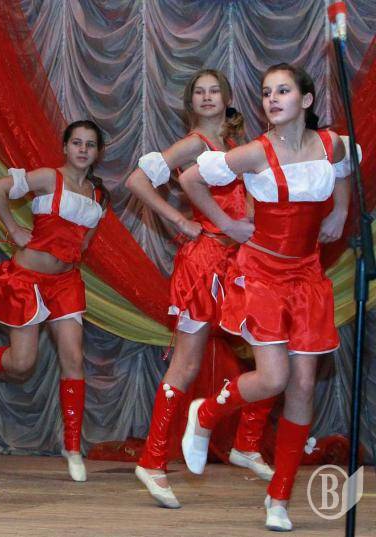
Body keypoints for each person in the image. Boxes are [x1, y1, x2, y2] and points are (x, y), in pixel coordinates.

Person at [179, 63, 353, 531]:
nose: (272, 99)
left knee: (302, 387)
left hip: (308, 276)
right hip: (261, 275)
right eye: (265, 92)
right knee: (274, 378)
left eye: (282, 91)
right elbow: (191, 180)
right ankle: (207, 412)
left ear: (306, 100)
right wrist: (228, 224)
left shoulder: (330, 144)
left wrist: (340, 208)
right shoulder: (255, 152)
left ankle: (280, 498)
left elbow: (344, 166)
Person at [125, 69, 274, 509]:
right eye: (199, 92)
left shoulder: (233, 144)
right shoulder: (195, 144)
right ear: (190, 102)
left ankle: (247, 443)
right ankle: (152, 462)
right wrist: (180, 220)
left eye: (215, 91)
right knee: (187, 365)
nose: (207, 97)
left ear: (227, 99)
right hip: (205, 263)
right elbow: (135, 181)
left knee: (272, 351)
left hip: (239, 261)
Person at [0, 120, 108, 482]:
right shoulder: (48, 178)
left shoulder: (99, 197)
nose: (83, 150)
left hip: (66, 283)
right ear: (65, 147)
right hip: (27, 281)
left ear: (98, 152)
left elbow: (83, 243)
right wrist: (13, 229)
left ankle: (72, 449)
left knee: (73, 358)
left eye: (90, 144)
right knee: (22, 364)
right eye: (77, 143)